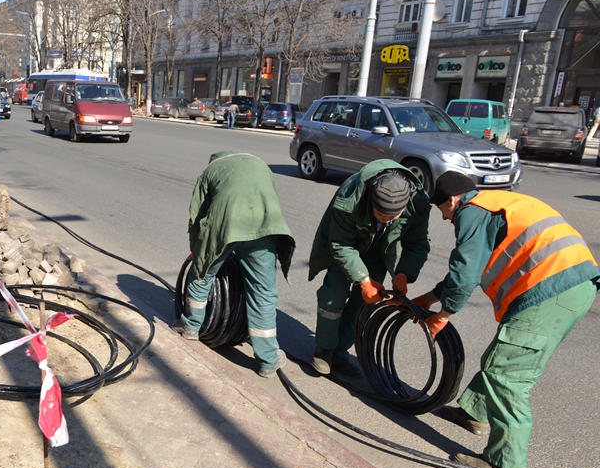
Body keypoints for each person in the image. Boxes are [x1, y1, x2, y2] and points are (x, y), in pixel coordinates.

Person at [416, 172, 599, 468]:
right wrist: (427, 299)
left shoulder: (471, 212)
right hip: (575, 286)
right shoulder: (496, 203)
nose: (446, 218)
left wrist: (443, 316)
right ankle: (474, 413)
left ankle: (504, 461)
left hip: (549, 289)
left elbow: (465, 273)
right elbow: (469, 269)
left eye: (442, 210)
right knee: (502, 356)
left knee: (506, 373)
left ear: (452, 200)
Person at [173, 151, 296, 378]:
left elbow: (197, 216)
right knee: (263, 291)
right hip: (264, 226)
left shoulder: (210, 171)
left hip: (225, 226)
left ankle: (190, 327)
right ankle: (268, 360)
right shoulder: (260, 164)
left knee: (202, 274)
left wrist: (196, 252)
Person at [308, 160, 430, 377]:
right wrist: (363, 280)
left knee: (363, 303)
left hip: (379, 251)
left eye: (391, 217)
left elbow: (417, 244)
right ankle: (324, 349)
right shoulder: (350, 196)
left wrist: (403, 274)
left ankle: (340, 353)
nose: (385, 219)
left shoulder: (418, 201)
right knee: (333, 297)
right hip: (347, 244)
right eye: (380, 214)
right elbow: (340, 244)